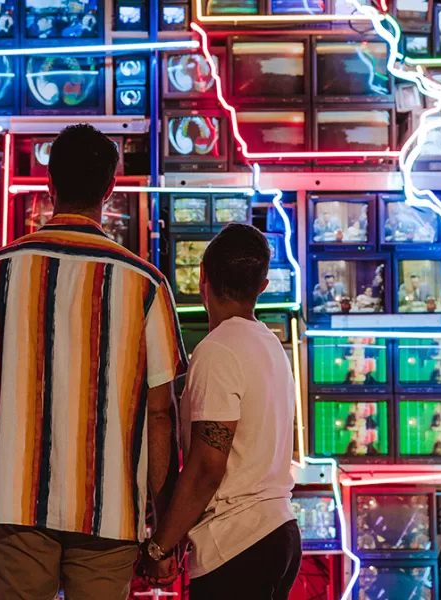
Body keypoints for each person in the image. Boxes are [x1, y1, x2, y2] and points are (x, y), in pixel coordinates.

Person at [0, 124, 186, 600]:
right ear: (110, 189)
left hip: (13, 508)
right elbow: (161, 414)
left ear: (49, 184)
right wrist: (164, 534)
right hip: (110, 512)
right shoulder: (147, 285)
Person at [140, 223, 301, 599]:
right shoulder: (271, 345)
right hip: (280, 529)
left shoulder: (218, 350)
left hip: (237, 544)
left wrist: (161, 546)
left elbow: (207, 467)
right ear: (262, 287)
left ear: (202, 277)